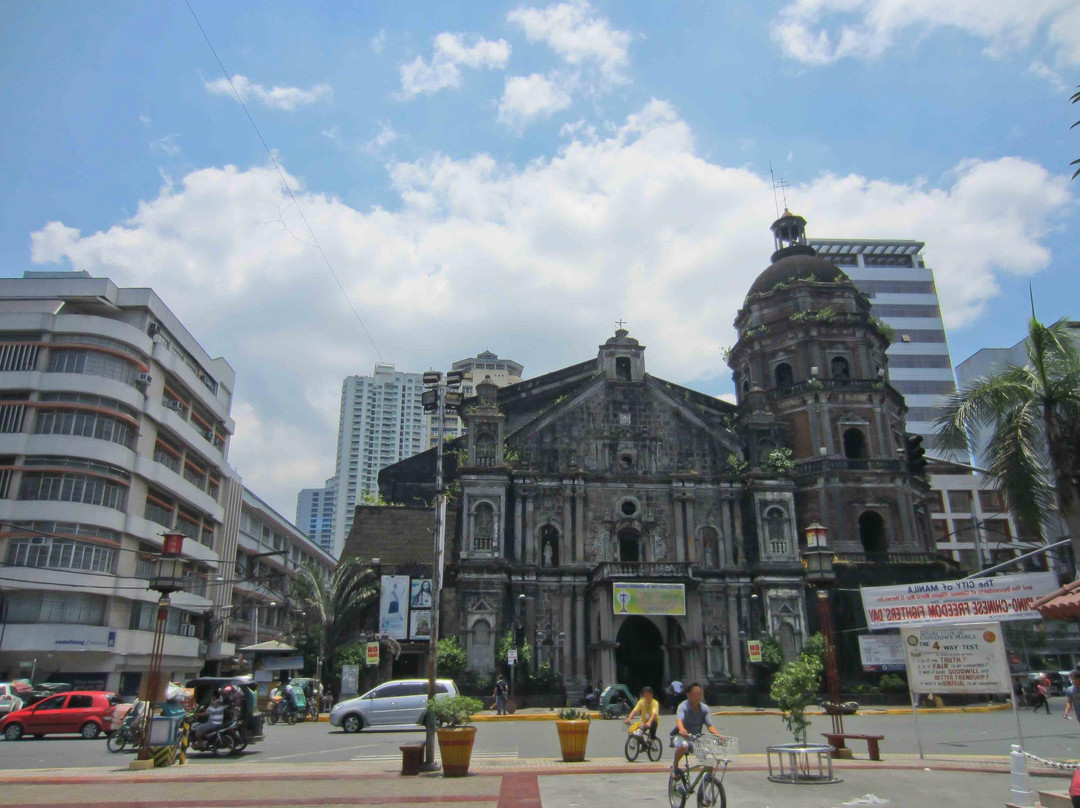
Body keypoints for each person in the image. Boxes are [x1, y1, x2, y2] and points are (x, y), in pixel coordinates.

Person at [672, 683, 724, 776]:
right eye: (695, 694)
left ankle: (707, 782)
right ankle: (674, 766)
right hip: (681, 736)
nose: (698, 697)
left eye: (700, 694)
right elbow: (679, 719)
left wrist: (718, 735)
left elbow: (710, 726)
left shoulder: (704, 708)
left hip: (695, 738)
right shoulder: (683, 706)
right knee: (683, 746)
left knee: (710, 761)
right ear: (688, 694)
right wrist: (682, 729)